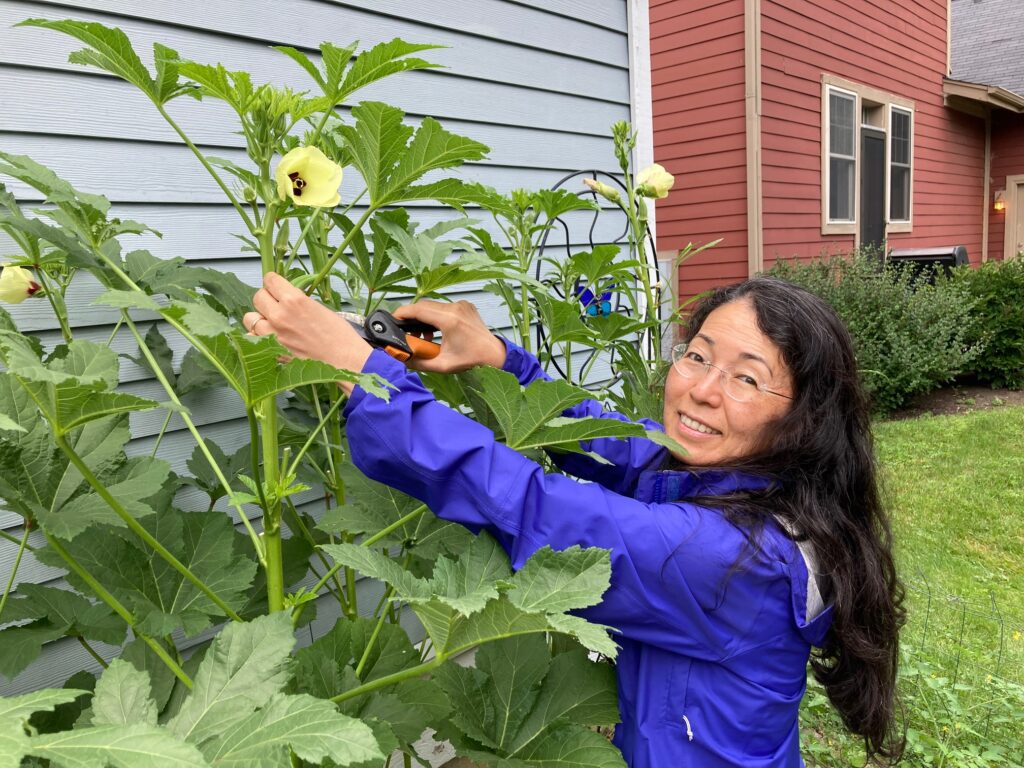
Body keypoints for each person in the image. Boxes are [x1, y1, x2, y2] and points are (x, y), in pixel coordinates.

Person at [244, 273, 905, 767]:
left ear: (803, 420)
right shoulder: (764, 486)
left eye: (746, 379)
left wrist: (367, 378)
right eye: (698, 355)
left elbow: (532, 504)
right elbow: (611, 438)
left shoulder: (734, 562)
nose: (702, 389)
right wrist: (501, 360)